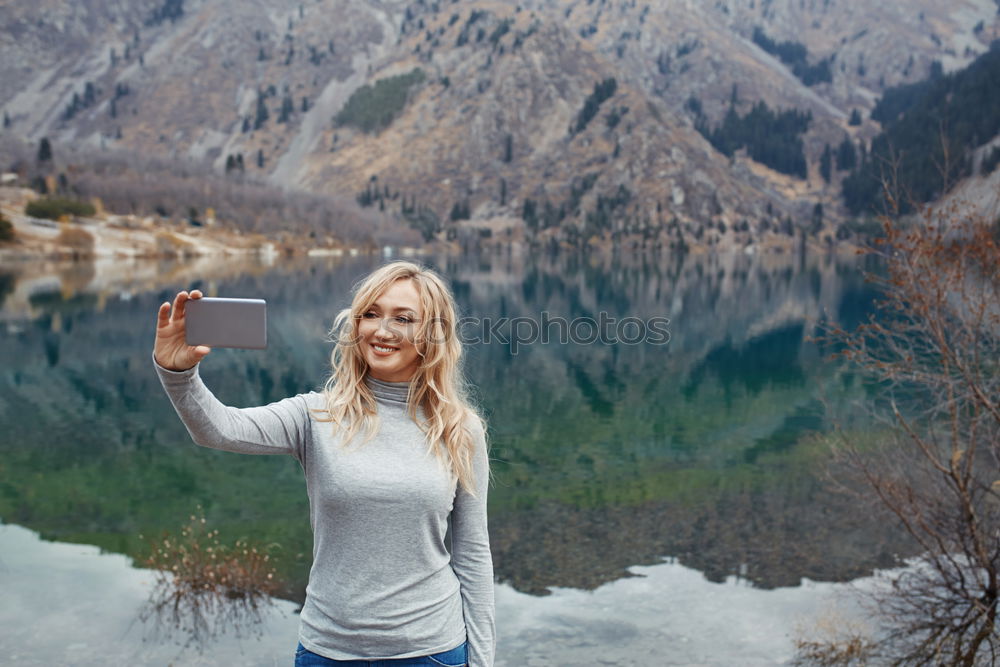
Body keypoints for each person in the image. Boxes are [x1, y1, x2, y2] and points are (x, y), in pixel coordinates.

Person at [152, 261, 495, 667]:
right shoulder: (317, 415)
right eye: (370, 314)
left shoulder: (460, 429)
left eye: (403, 319)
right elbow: (219, 429)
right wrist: (180, 372)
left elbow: (472, 555)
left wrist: (483, 658)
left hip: (432, 651)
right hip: (328, 651)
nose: (381, 331)